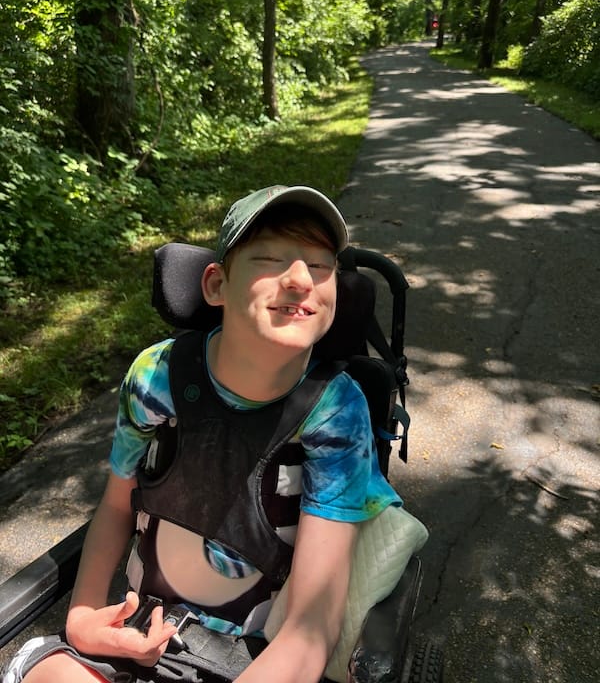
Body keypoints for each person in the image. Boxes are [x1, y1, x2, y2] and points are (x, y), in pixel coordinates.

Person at [3, 185, 402, 683]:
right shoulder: (156, 377)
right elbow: (116, 505)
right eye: (272, 259)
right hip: (139, 628)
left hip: (255, 656)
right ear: (215, 286)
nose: (300, 278)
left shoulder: (337, 410)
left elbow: (310, 628)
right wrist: (83, 620)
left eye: (321, 265)